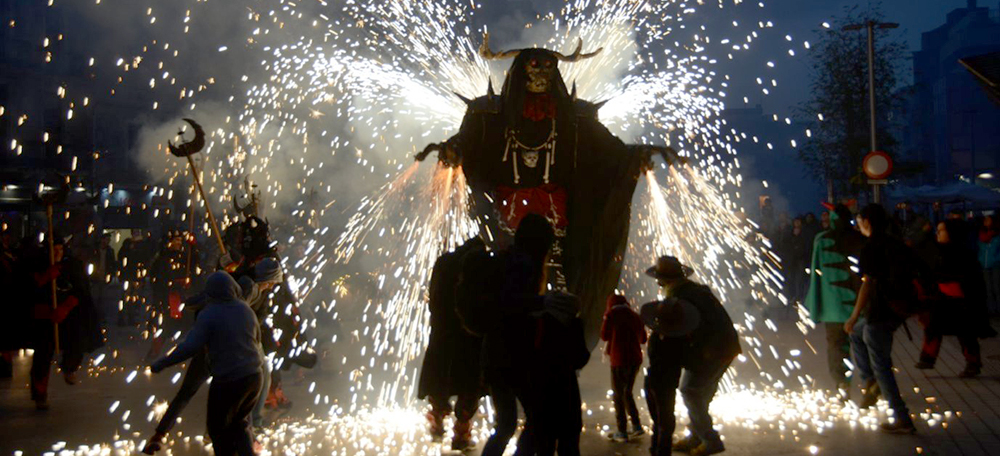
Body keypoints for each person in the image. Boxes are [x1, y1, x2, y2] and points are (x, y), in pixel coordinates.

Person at [143, 259, 282, 454]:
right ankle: (246, 445)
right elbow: (254, 339)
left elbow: (189, 346)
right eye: (272, 283)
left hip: (224, 366)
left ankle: (159, 435)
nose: (271, 287)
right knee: (239, 419)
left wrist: (163, 363)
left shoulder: (211, 312)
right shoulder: (245, 306)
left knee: (207, 412)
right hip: (246, 371)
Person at [642, 256, 740, 456]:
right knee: (700, 394)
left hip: (713, 351)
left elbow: (692, 331)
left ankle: (710, 440)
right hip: (721, 348)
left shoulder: (684, 297)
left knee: (691, 391)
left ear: (663, 279)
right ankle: (695, 436)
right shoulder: (691, 290)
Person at [479, 213, 553, 456]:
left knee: (506, 425)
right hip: (512, 356)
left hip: (496, 355)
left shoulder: (508, 259)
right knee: (540, 417)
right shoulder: (523, 264)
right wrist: (545, 303)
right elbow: (512, 304)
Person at [843, 204, 916, 434]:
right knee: (858, 333)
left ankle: (901, 416)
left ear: (867, 221)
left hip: (881, 311)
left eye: (859, 220)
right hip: (898, 310)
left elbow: (868, 283)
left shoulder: (871, 247)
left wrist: (853, 316)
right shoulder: (894, 242)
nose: (858, 224)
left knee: (881, 363)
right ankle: (870, 381)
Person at [418, 238, 486, 451]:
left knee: (440, 380)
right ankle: (461, 433)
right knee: (470, 385)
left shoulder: (444, 262)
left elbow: (434, 297)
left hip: (442, 333)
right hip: (468, 337)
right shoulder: (478, 264)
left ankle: (437, 425)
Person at [29, 236, 104, 410]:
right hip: (44, 318)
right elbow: (29, 289)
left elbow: (81, 291)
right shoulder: (37, 265)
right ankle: (40, 393)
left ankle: (69, 367)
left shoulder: (72, 265)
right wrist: (45, 277)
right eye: (54, 250)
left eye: (60, 249)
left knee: (77, 343)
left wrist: (66, 307)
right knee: (42, 357)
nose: (58, 253)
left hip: (69, 316)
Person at [915, 220, 996, 377]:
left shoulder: (965, 255)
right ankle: (927, 359)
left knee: (966, 333)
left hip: (963, 302)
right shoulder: (938, 251)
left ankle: (973, 364)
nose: (938, 233)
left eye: (942, 230)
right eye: (937, 230)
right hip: (943, 299)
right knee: (933, 327)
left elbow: (973, 283)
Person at [803, 204, 865, 396]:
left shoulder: (822, 240)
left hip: (834, 308)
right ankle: (871, 382)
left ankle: (841, 383)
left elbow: (816, 274)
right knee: (863, 347)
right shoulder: (860, 239)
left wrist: (815, 305)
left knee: (838, 347)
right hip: (860, 306)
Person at [529, 291, 590, 456]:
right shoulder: (573, 325)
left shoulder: (537, 323)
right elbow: (581, 358)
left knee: (544, 446)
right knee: (569, 446)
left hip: (541, 391)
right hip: (566, 391)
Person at [601, 294, 646, 442]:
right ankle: (637, 425)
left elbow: (604, 336)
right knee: (627, 392)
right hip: (635, 359)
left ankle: (621, 431)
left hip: (619, 359)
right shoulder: (635, 315)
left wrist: (607, 319)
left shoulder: (611, 314)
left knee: (618, 394)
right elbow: (644, 338)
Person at [978, 215, 1000, 315]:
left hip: (995, 264)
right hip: (985, 265)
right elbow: (980, 249)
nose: (986, 221)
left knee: (996, 287)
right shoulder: (981, 235)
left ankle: (998, 308)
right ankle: (991, 310)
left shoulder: (997, 236)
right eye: (985, 220)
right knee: (988, 288)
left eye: (988, 220)